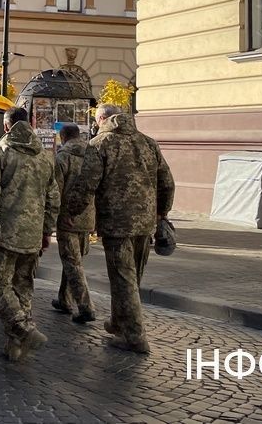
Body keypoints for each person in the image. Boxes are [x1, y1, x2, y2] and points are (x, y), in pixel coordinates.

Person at [63, 105, 175, 354]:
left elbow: (87, 184)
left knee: (124, 279)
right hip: (145, 223)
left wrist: (72, 211)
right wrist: (161, 213)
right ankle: (118, 323)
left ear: (102, 119)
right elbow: (167, 182)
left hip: (116, 222)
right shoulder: (148, 143)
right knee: (132, 278)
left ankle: (135, 337)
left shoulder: (100, 143)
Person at [0, 107, 60, 362]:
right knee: (23, 287)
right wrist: (47, 230)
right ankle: (15, 346)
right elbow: (53, 197)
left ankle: (24, 329)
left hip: (3, 234)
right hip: (32, 236)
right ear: (31, 124)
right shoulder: (45, 157)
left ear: (6, 127)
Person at [51, 123, 95, 323]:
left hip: (67, 218)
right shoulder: (92, 155)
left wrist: (52, 217)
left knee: (73, 264)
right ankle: (64, 299)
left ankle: (85, 306)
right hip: (88, 218)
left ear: (63, 136)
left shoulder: (63, 157)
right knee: (74, 261)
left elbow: (55, 190)